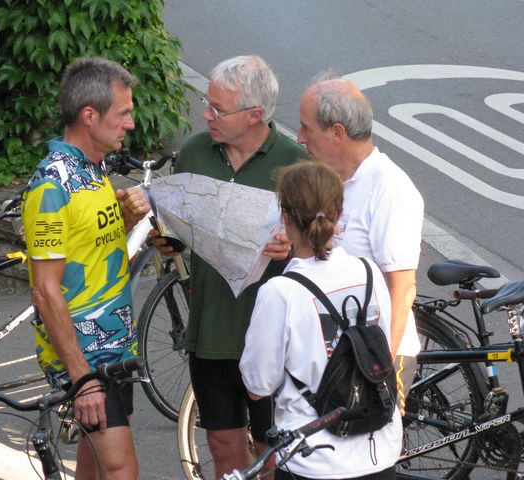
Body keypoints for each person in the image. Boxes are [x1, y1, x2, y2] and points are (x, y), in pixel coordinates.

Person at [153, 55, 309, 478]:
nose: (206, 115)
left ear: (255, 115)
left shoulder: (294, 163)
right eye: (208, 102)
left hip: (272, 333)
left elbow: (325, 246)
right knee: (222, 442)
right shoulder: (195, 152)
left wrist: (293, 248)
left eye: (218, 109)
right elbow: (175, 228)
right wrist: (161, 232)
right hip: (211, 328)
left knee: (272, 449)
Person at [21, 57, 149, 480]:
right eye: (124, 113)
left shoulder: (91, 170)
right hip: (86, 356)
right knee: (121, 469)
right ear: (89, 116)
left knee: (94, 468)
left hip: (115, 346)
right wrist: (82, 381)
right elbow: (45, 290)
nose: (130, 123)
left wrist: (127, 217)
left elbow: (92, 250)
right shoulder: (50, 186)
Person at [240, 161, 402, 479]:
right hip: (379, 451)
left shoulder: (280, 291)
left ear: (285, 217)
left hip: (313, 458)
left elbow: (258, 384)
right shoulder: (369, 273)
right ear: (339, 215)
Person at [297, 73, 424, 415]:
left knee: (370, 459)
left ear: (337, 133)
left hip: (372, 355)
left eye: (307, 129)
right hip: (333, 351)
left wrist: (380, 369)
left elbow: (402, 287)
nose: (299, 138)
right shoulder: (330, 178)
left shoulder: (388, 188)